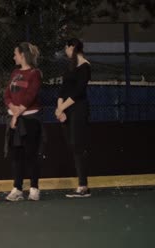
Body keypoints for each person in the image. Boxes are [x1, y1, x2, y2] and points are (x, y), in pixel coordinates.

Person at [4, 42, 43, 201]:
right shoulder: (14, 73)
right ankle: (17, 188)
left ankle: (34, 188)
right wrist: (11, 107)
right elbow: (7, 94)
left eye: (15, 53)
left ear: (22, 55)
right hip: (15, 119)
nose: (14, 57)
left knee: (31, 154)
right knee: (16, 155)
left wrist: (16, 114)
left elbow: (30, 95)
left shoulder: (35, 73)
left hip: (30, 120)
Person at [55, 38, 92, 198]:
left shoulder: (85, 66)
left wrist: (62, 107)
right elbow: (63, 89)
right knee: (72, 143)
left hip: (78, 109)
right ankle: (82, 184)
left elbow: (78, 91)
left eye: (67, 49)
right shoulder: (69, 67)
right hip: (66, 110)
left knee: (78, 145)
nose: (66, 52)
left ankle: (83, 186)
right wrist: (59, 108)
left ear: (72, 47)